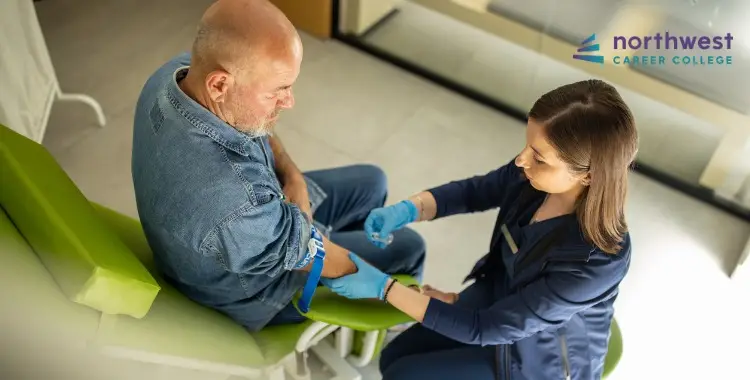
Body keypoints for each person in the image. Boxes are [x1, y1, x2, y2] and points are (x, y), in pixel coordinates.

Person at [130, 0, 425, 332]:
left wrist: (293, 175)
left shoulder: (177, 76)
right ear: (219, 85)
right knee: (410, 248)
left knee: (372, 181)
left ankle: (351, 256)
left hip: (257, 225)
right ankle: (386, 329)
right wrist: (399, 293)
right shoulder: (231, 201)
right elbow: (303, 244)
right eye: (277, 91)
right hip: (252, 290)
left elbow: (260, 131)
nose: (289, 101)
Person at [323, 79, 638, 380]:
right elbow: (475, 191)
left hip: (538, 361)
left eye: (538, 158)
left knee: (403, 375)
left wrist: (385, 288)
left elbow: (487, 328)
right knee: (393, 357)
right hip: (495, 300)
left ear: (589, 175)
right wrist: (410, 209)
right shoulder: (532, 176)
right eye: (527, 145)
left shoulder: (598, 260)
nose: (521, 160)